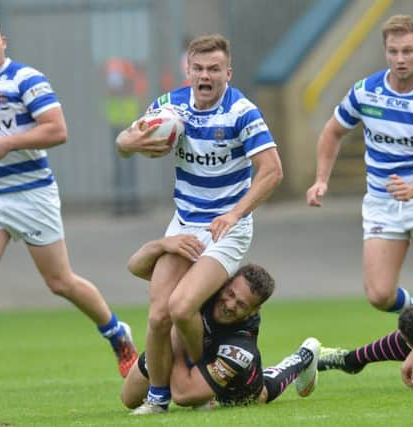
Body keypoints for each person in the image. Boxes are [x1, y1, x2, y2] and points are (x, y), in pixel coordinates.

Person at [0, 9, 137, 395]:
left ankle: (116, 332)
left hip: (31, 195)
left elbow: (57, 130)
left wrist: (9, 142)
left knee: (60, 282)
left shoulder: (25, 79)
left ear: (3, 42)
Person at [115, 33, 283, 412]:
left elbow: (272, 171)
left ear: (228, 72)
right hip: (185, 222)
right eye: (199, 69)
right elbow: (125, 140)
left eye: (214, 69)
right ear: (188, 70)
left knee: (181, 307)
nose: (205, 76)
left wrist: (235, 213)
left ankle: (198, 371)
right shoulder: (171, 107)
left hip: (227, 227)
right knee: (158, 313)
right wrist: (130, 143)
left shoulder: (242, 111)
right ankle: (158, 398)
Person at [305, 14, 413, 313]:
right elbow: (332, 131)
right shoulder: (366, 91)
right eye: (393, 51)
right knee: (379, 294)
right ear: (385, 52)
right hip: (382, 202)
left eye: (407, 51)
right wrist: (321, 179)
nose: (400, 59)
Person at [121, 236, 320, 414]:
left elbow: (182, 395)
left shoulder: (240, 347)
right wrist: (163, 244)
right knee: (129, 398)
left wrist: (173, 343)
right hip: (187, 348)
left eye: (241, 304)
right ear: (226, 282)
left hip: (232, 382)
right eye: (231, 294)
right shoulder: (206, 287)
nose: (230, 305)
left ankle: (302, 357)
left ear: (254, 311)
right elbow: (136, 267)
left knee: (257, 397)